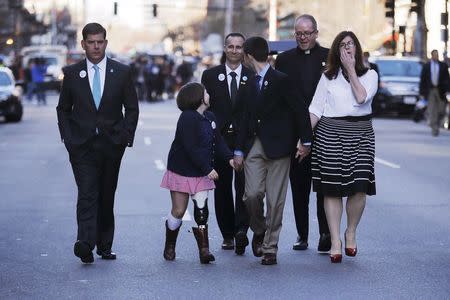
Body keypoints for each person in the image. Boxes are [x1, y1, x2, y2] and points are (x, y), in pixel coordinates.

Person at [56, 23, 139, 264]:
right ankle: (85, 242)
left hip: (112, 145)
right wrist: (68, 137)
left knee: (106, 195)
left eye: (100, 41)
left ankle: (104, 245)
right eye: (91, 42)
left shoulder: (121, 72)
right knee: (87, 192)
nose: (95, 46)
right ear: (83, 44)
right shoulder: (72, 73)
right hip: (81, 146)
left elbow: (132, 108)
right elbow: (63, 108)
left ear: (105, 42)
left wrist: (125, 137)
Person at [234, 36, 313, 265]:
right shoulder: (247, 83)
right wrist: (238, 150)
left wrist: (305, 141)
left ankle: (270, 248)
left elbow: (300, 111)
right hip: (253, 146)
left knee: (276, 201)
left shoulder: (282, 80)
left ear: (248, 56)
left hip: (280, 147)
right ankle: (258, 229)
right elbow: (244, 118)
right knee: (252, 195)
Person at [309, 31, 378, 263]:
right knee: (332, 188)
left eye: (350, 45)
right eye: (342, 46)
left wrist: (350, 70)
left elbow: (361, 98)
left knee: (359, 186)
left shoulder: (370, 75)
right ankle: (336, 239)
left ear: (357, 48)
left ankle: (350, 231)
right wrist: (303, 137)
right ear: (336, 52)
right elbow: (316, 109)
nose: (347, 49)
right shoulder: (327, 76)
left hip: (360, 132)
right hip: (330, 132)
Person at [161, 82, 234, 264]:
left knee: (202, 210)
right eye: (206, 92)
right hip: (182, 170)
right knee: (179, 211)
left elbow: (219, 142)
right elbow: (190, 147)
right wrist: (207, 169)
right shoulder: (187, 118)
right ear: (199, 97)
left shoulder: (210, 116)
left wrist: (230, 158)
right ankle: (170, 245)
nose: (209, 94)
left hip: (200, 172)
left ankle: (204, 250)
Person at [275, 14, 331, 252]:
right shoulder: (284, 60)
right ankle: (302, 234)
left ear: (316, 33)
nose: (303, 37)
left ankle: (326, 233)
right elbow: (280, 97)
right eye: (299, 33)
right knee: (299, 187)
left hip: (325, 132)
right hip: (295, 133)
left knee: (324, 186)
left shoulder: (329, 57)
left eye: (307, 33)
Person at [201, 32, 252, 254]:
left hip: (245, 141)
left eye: (238, 47)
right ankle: (228, 235)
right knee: (222, 189)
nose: (234, 51)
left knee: (245, 189)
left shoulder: (252, 77)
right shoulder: (210, 76)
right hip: (219, 141)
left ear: (244, 50)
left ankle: (242, 231)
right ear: (224, 48)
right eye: (230, 46)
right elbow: (205, 109)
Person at [419, 49, 450, 136]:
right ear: (432, 56)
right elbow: (423, 80)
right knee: (432, 109)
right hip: (431, 90)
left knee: (441, 110)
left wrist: (447, 91)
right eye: (434, 55)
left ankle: (438, 123)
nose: (436, 56)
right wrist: (422, 92)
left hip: (440, 90)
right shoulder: (426, 66)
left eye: (437, 55)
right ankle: (434, 128)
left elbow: (447, 79)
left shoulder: (443, 66)